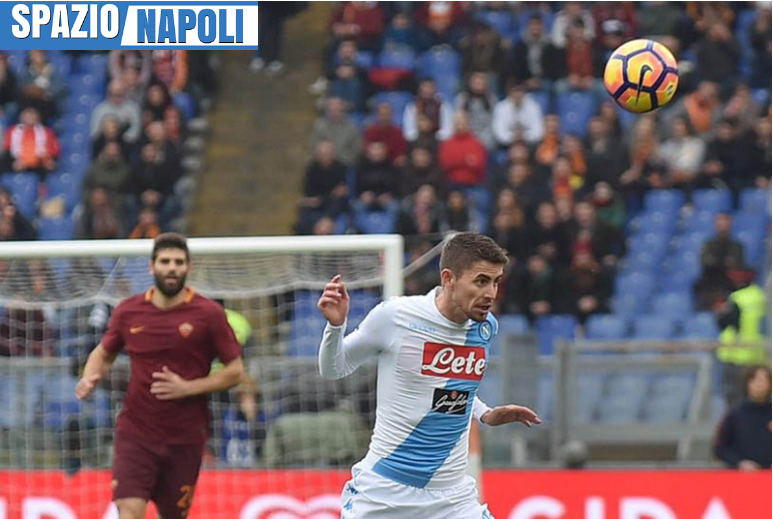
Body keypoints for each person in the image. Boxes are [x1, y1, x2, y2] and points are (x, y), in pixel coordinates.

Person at [316, 232, 540, 518]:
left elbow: (446, 389)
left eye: (496, 282)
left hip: (453, 499)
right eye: (481, 281)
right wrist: (335, 328)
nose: (491, 294)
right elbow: (334, 368)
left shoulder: (484, 327)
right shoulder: (396, 316)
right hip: (386, 493)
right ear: (448, 278)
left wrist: (485, 413)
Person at [75, 233, 244, 519]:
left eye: (178, 262)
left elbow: (236, 370)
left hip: (185, 437)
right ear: (151, 266)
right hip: (136, 433)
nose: (172, 268)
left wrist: (188, 387)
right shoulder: (128, 311)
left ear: (188, 267)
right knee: (129, 510)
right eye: (165, 261)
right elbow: (103, 353)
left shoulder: (209, 313)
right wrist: (90, 376)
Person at [713, 365, 772, 470]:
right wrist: (739, 463)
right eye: (754, 380)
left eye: (763, 380)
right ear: (747, 383)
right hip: (741, 476)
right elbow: (720, 448)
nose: (759, 384)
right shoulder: (735, 413)